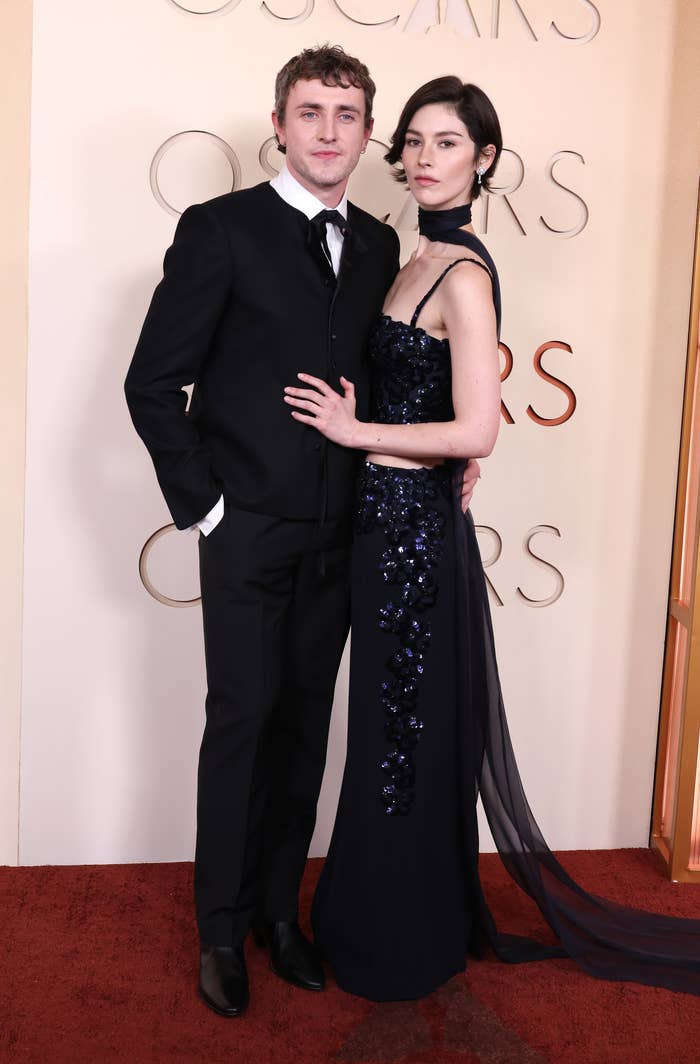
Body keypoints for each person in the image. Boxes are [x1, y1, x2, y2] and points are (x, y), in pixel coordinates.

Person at [284, 76, 700, 1002]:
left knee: (403, 733)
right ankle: (383, 915)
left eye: (447, 143)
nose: (425, 158)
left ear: (485, 160)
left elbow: (478, 429)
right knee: (389, 732)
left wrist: (356, 432)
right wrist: (387, 430)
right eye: (414, 141)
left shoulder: (464, 275)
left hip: (414, 541)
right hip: (385, 525)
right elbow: (429, 403)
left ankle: (403, 939)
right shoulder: (413, 256)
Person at [125, 45, 481, 1018]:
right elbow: (152, 382)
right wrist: (207, 506)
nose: (328, 131)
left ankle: (280, 915)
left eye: (347, 115)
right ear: (279, 125)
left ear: (366, 137)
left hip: (343, 534)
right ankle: (219, 928)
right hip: (244, 530)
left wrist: (456, 448)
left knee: (306, 727)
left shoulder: (377, 248)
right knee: (241, 720)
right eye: (311, 112)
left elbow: (406, 377)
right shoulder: (220, 229)